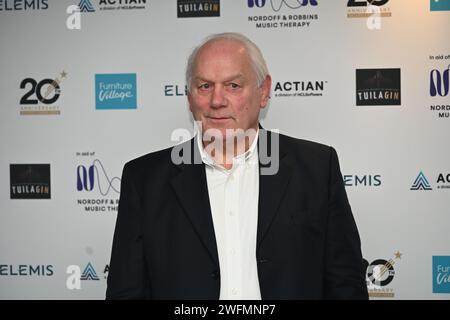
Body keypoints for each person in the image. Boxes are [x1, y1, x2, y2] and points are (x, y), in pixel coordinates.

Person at [106, 32, 368, 300]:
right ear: (189, 97)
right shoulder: (144, 180)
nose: (217, 101)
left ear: (263, 91)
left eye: (232, 85)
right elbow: (126, 292)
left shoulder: (316, 168)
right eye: (205, 86)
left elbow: (345, 281)